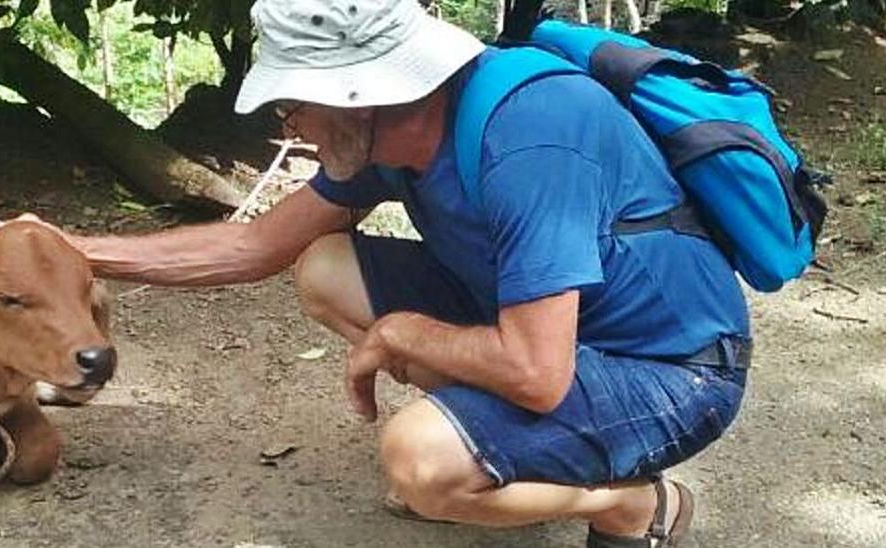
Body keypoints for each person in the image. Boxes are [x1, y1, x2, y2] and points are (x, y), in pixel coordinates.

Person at [72, 1, 750, 546]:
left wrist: (403, 333)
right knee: (324, 266)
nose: (292, 125)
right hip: (550, 335)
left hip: (672, 371)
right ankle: (508, 453)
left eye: (293, 106)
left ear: (355, 96)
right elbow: (254, 248)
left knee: (419, 460)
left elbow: (539, 374)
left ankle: (635, 505)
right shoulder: (396, 134)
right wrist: (76, 251)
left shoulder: (529, 135)